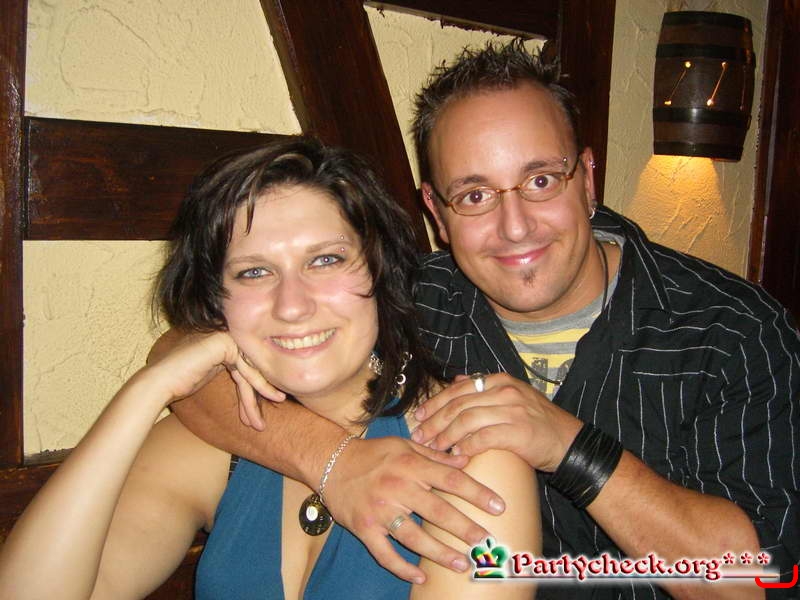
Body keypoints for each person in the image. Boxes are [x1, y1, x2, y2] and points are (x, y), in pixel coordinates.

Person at [166, 42, 800, 599]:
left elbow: (758, 581)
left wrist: (570, 448)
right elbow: (184, 359)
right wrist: (334, 461)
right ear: (436, 213)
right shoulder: (403, 299)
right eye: (474, 196)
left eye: (541, 181)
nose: (515, 226)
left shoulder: (734, 332)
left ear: (587, 180)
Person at [0, 138, 539, 600]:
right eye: (254, 272)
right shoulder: (214, 446)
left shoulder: (475, 460)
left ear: (381, 270)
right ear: (216, 302)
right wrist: (149, 390)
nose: (292, 305)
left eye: (325, 260)